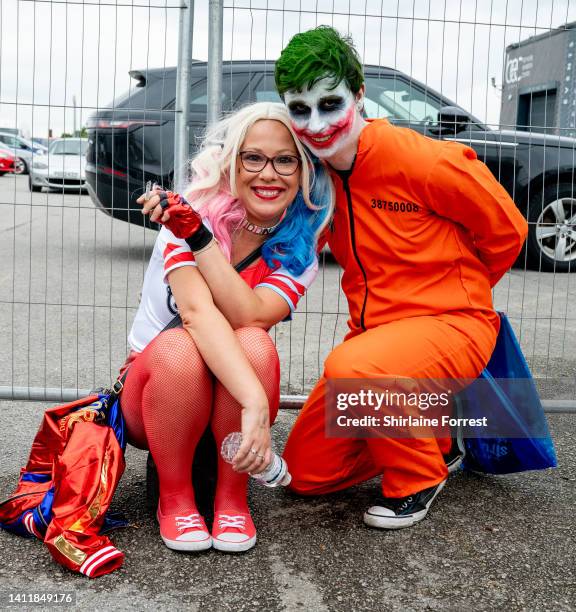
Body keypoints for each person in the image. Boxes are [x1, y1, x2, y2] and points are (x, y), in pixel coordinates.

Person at [273, 26, 529, 529]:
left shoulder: (422, 159)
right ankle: (434, 435)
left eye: (330, 103)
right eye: (300, 110)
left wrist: (461, 295)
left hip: (452, 325)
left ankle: (418, 477)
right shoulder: (318, 178)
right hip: (375, 345)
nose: (317, 124)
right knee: (305, 473)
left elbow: (508, 230)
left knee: (355, 367)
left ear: (359, 94)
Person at [123, 102, 332, 552]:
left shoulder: (300, 249)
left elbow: (250, 316)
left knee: (254, 342)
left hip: (231, 389)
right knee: (182, 349)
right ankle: (174, 500)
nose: (268, 174)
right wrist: (256, 401)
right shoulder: (189, 213)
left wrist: (200, 242)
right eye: (253, 158)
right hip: (157, 389)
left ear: (303, 172)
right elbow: (197, 314)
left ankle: (232, 500)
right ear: (231, 163)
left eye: (285, 160)